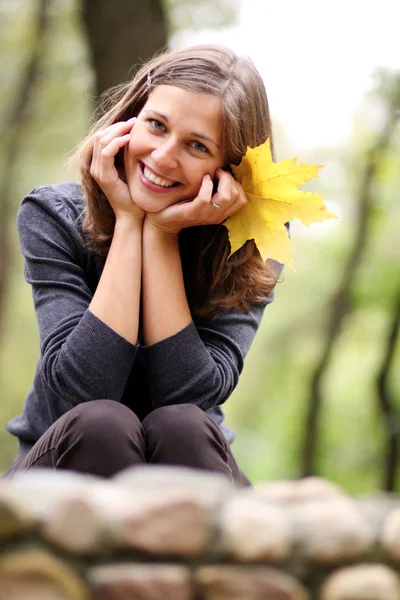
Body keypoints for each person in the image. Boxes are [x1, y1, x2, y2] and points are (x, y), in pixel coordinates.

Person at [4, 44, 282, 486]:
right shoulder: (53, 214)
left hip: (191, 464)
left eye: (196, 145)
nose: (163, 156)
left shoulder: (251, 246)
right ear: (129, 119)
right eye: (156, 125)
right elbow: (84, 390)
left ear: (230, 170)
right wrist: (132, 221)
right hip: (61, 470)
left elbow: (189, 396)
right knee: (102, 423)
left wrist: (161, 235)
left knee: (183, 425)